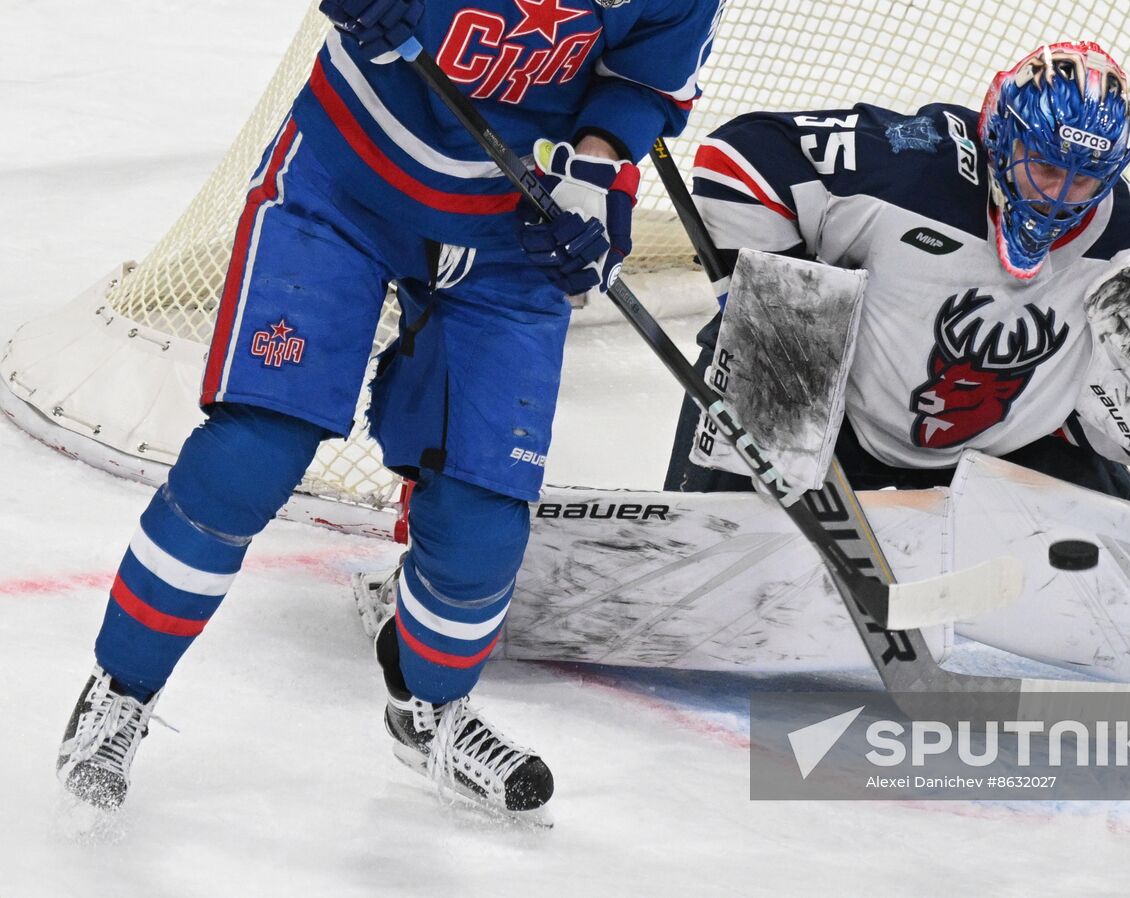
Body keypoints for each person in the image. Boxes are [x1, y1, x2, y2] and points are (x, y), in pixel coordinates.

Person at [56, 0, 722, 817]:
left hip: (510, 236)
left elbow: (642, 80)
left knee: (483, 519)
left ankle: (429, 711)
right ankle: (121, 691)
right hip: (345, 186)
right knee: (251, 455)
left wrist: (591, 179)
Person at [665, 42, 1130, 502]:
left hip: (1003, 454)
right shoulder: (911, 164)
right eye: (1042, 166)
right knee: (761, 362)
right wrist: (787, 319)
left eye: (1082, 179)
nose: (1058, 197)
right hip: (839, 426)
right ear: (1001, 132)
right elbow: (738, 159)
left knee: (1113, 573)